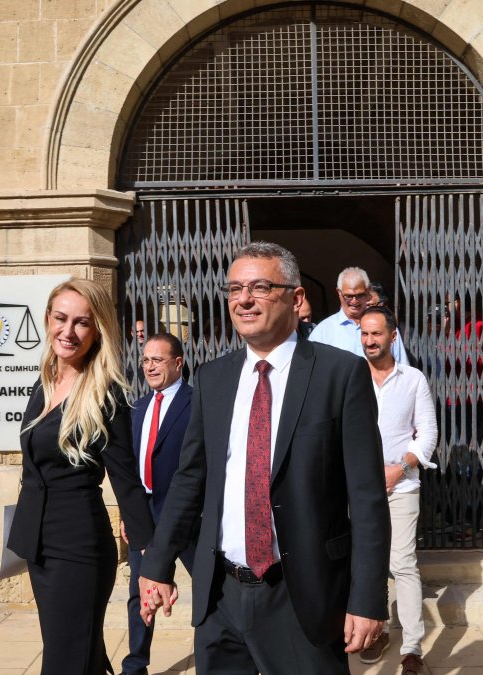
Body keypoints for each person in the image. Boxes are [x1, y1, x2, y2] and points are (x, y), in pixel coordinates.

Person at [137, 241, 391, 674]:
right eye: (234, 288)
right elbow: (190, 479)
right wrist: (157, 564)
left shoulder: (339, 375)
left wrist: (367, 599)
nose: (244, 299)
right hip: (221, 596)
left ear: (295, 298)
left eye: (259, 286)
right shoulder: (213, 378)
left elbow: (366, 498)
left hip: (302, 594)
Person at [6, 279, 154, 675]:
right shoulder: (45, 382)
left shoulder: (106, 395)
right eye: (61, 318)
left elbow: (127, 483)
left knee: (65, 661)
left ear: (98, 329)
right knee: (78, 657)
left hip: (78, 549)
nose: (68, 332)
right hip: (38, 543)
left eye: (82, 323)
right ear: (48, 319)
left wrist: (153, 563)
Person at [357, 306, 438, 675]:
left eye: (376, 334)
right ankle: (376, 631)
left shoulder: (413, 379)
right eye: (364, 334)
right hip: (355, 489)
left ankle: (412, 650)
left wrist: (399, 469)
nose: (370, 341)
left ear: (393, 336)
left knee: (402, 564)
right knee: (364, 563)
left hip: (401, 486)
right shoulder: (350, 376)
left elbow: (428, 435)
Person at [121, 332, 196, 675]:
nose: (149, 367)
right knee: (140, 593)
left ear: (178, 363)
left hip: (188, 516)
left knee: (214, 591)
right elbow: (130, 468)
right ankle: (136, 664)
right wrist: (128, 515)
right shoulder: (137, 407)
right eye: (146, 360)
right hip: (145, 517)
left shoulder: (198, 404)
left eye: (158, 360)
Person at [309, 267, 407, 363]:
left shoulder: (386, 325)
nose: (354, 301)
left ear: (368, 291)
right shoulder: (323, 331)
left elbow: (403, 370)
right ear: (339, 292)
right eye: (349, 296)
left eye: (360, 295)